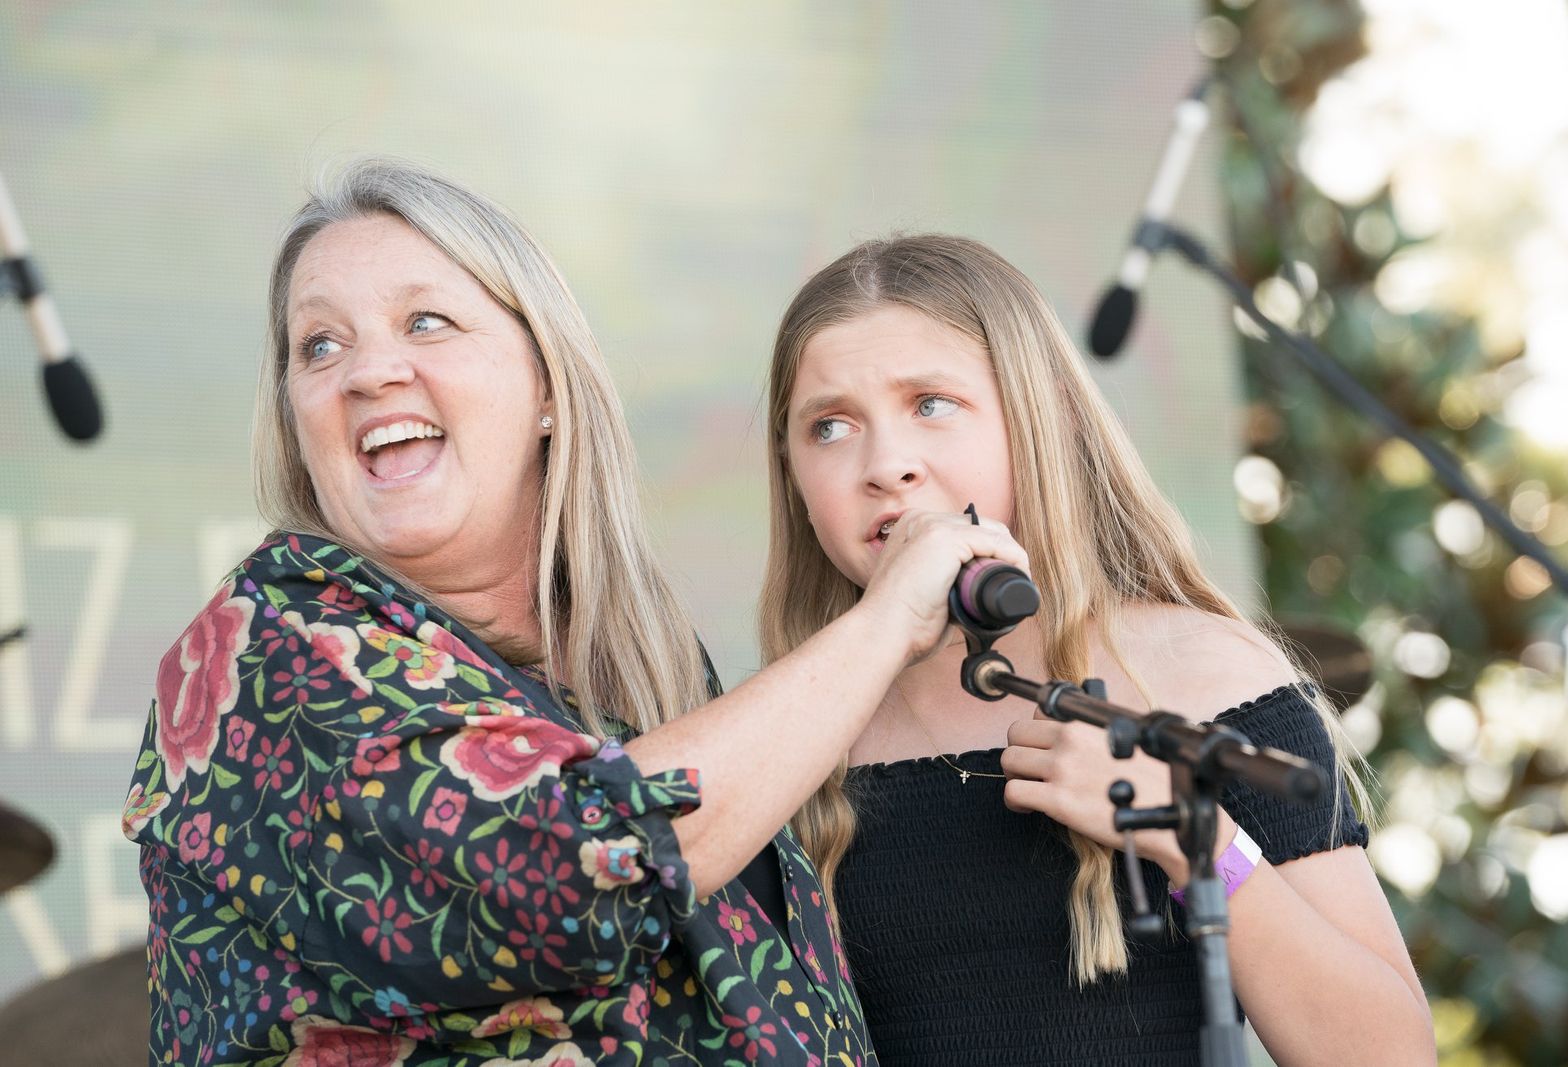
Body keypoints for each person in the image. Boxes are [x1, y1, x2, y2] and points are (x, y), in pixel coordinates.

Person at [123, 162, 1026, 1066]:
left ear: (549, 389)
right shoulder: (265, 653)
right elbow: (566, 870)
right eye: (320, 345)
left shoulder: (647, 675)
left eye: (425, 322)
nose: (368, 371)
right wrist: (885, 622)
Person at [759, 234, 1437, 1066]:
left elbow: (1391, 1054)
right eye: (829, 426)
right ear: (792, 472)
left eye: (931, 403)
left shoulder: (1202, 671)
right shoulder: (784, 738)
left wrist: (1199, 841)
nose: (886, 465)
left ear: (1038, 419)